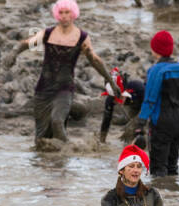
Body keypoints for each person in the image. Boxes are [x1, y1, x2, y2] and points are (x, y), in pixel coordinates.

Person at [7, 0, 113, 143]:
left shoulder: (82, 37)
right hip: (43, 89)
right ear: (57, 14)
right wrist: (13, 53)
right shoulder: (48, 33)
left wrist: (111, 81)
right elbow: (26, 43)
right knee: (40, 139)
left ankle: (69, 150)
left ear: (73, 14)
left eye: (67, 12)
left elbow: (94, 60)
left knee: (57, 121)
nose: (64, 16)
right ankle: (56, 162)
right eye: (61, 12)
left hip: (65, 88)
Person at [138, 31, 179, 177]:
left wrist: (140, 122)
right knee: (172, 166)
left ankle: (161, 197)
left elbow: (150, 99)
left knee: (158, 168)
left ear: (155, 50)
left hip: (161, 122)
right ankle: (174, 196)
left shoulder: (155, 70)